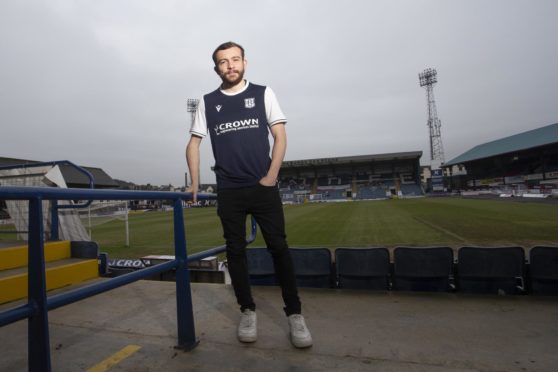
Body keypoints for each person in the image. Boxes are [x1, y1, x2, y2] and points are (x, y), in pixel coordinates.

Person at [186, 41, 312, 348]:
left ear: (244, 62)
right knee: (235, 252)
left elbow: (280, 137)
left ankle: (294, 314)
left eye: (235, 59)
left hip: (262, 187)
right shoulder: (208, 101)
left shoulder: (262, 93)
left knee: (279, 248)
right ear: (216, 68)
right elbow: (193, 144)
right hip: (228, 190)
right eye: (223, 62)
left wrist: (271, 177)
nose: (230, 65)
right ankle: (247, 310)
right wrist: (195, 184)